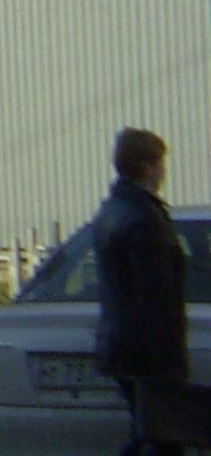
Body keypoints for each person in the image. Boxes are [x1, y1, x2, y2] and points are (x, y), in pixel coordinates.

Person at [93, 126, 188, 456]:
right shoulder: (144, 217)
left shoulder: (112, 209)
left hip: (122, 344)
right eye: (161, 164)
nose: (163, 172)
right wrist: (169, 360)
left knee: (148, 434)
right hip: (149, 351)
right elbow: (156, 293)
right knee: (162, 440)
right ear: (148, 166)